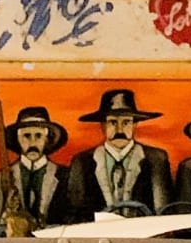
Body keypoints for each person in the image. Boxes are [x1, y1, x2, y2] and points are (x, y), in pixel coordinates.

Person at [65, 90, 171, 218]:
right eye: (113, 122)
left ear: (135, 124)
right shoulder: (82, 161)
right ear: (102, 125)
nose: (119, 130)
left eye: (126, 122)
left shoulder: (156, 159)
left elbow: (163, 210)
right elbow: (75, 211)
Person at [0, 106, 70, 233]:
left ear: (47, 139)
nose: (32, 143)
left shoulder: (64, 176)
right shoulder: (4, 176)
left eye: (38, 136)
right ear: (18, 139)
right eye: (26, 136)